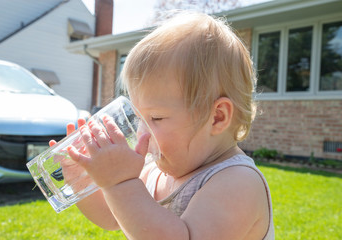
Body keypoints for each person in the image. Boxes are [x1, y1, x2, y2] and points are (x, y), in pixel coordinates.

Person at [51, 11, 274, 239]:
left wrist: (120, 183)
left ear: (217, 117)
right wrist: (87, 181)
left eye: (156, 118)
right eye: (138, 117)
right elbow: (113, 215)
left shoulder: (237, 183)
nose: (141, 134)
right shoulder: (155, 172)